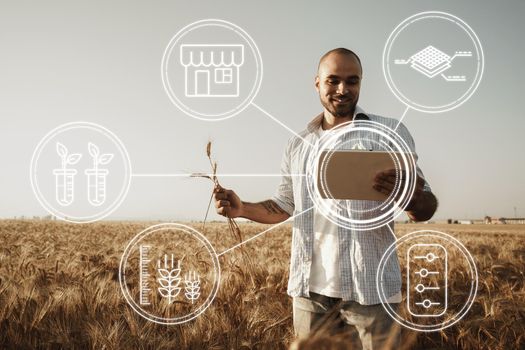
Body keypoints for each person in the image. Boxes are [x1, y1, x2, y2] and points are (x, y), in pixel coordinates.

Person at [214, 48, 438, 350]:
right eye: (333, 80)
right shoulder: (298, 144)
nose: (343, 90)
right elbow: (285, 205)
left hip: (371, 294)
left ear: (361, 84)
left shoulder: (390, 132)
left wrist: (409, 196)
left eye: (352, 81)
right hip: (310, 295)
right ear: (317, 83)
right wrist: (243, 209)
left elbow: (426, 206)